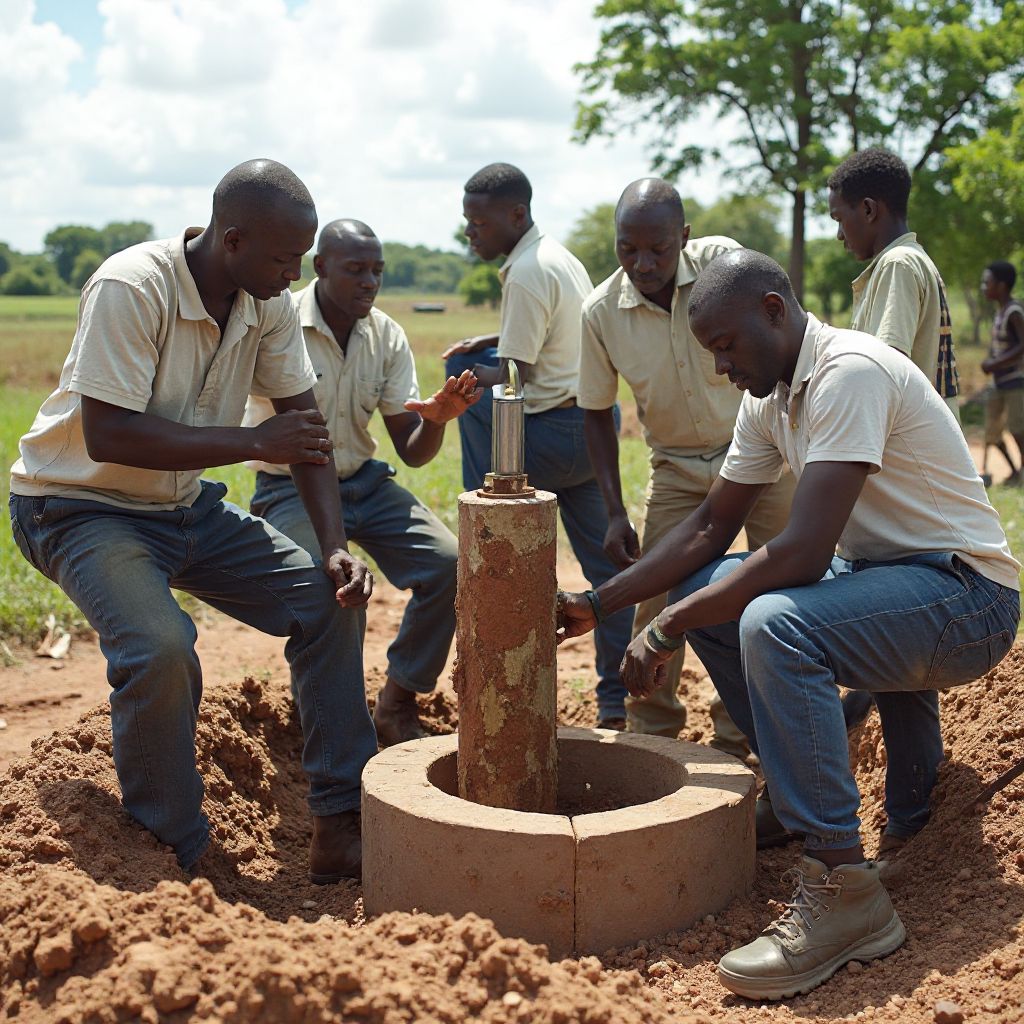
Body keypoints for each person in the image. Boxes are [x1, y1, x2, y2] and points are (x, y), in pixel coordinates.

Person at [557, 249, 1019, 1000]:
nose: (721, 369)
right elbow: (709, 527)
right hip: (889, 583)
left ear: (774, 310)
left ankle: (843, 887)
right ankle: (805, 784)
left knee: (771, 622)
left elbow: (803, 551)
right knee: (712, 587)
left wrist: (670, 623)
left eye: (726, 347)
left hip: (968, 599)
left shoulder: (848, 373)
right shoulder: (771, 396)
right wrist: (601, 602)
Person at [8, 160, 380, 884]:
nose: (294, 275)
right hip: (79, 506)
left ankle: (340, 825)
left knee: (329, 601)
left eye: (301, 259)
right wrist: (251, 442)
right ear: (232, 240)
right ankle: (171, 860)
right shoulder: (132, 286)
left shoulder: (266, 300)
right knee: (161, 648)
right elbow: (108, 435)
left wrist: (335, 547)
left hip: (181, 506)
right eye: (284, 259)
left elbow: (305, 431)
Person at [244, 219, 480, 746]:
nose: (369, 282)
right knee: (325, 588)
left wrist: (437, 420)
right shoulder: (278, 322)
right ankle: (330, 728)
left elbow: (411, 450)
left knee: (448, 564)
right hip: (289, 487)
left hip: (364, 484)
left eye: (377, 270)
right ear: (320, 267)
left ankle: (397, 701)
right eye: (356, 269)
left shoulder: (385, 334)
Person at [579, 178, 794, 751]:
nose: (643, 264)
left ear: (685, 236)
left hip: (763, 452)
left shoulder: (725, 266)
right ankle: (651, 732)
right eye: (628, 249)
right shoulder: (600, 311)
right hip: (675, 465)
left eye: (658, 249)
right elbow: (596, 413)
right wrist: (613, 511)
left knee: (775, 585)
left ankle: (741, 731)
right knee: (654, 592)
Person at [443, 162, 633, 729]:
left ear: (516, 214)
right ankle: (615, 701)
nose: (470, 232)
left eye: (479, 223)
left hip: (552, 436)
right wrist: (490, 339)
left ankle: (487, 522)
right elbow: (549, 336)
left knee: (464, 382)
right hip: (594, 429)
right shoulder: (557, 256)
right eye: (467, 222)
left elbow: (514, 375)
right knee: (609, 571)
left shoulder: (525, 272)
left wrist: (465, 373)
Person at [827, 146, 961, 420]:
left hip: (911, 441)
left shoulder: (897, 264)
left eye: (839, 219)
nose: (839, 234)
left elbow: (882, 372)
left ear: (868, 209)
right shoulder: (912, 259)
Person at [981, 260, 1024, 484]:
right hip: (999, 383)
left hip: (1015, 381)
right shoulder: (1000, 312)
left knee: (1017, 429)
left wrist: (995, 364)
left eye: (987, 282)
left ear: (1001, 285)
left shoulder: (1014, 312)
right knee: (992, 432)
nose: (984, 287)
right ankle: (1015, 471)